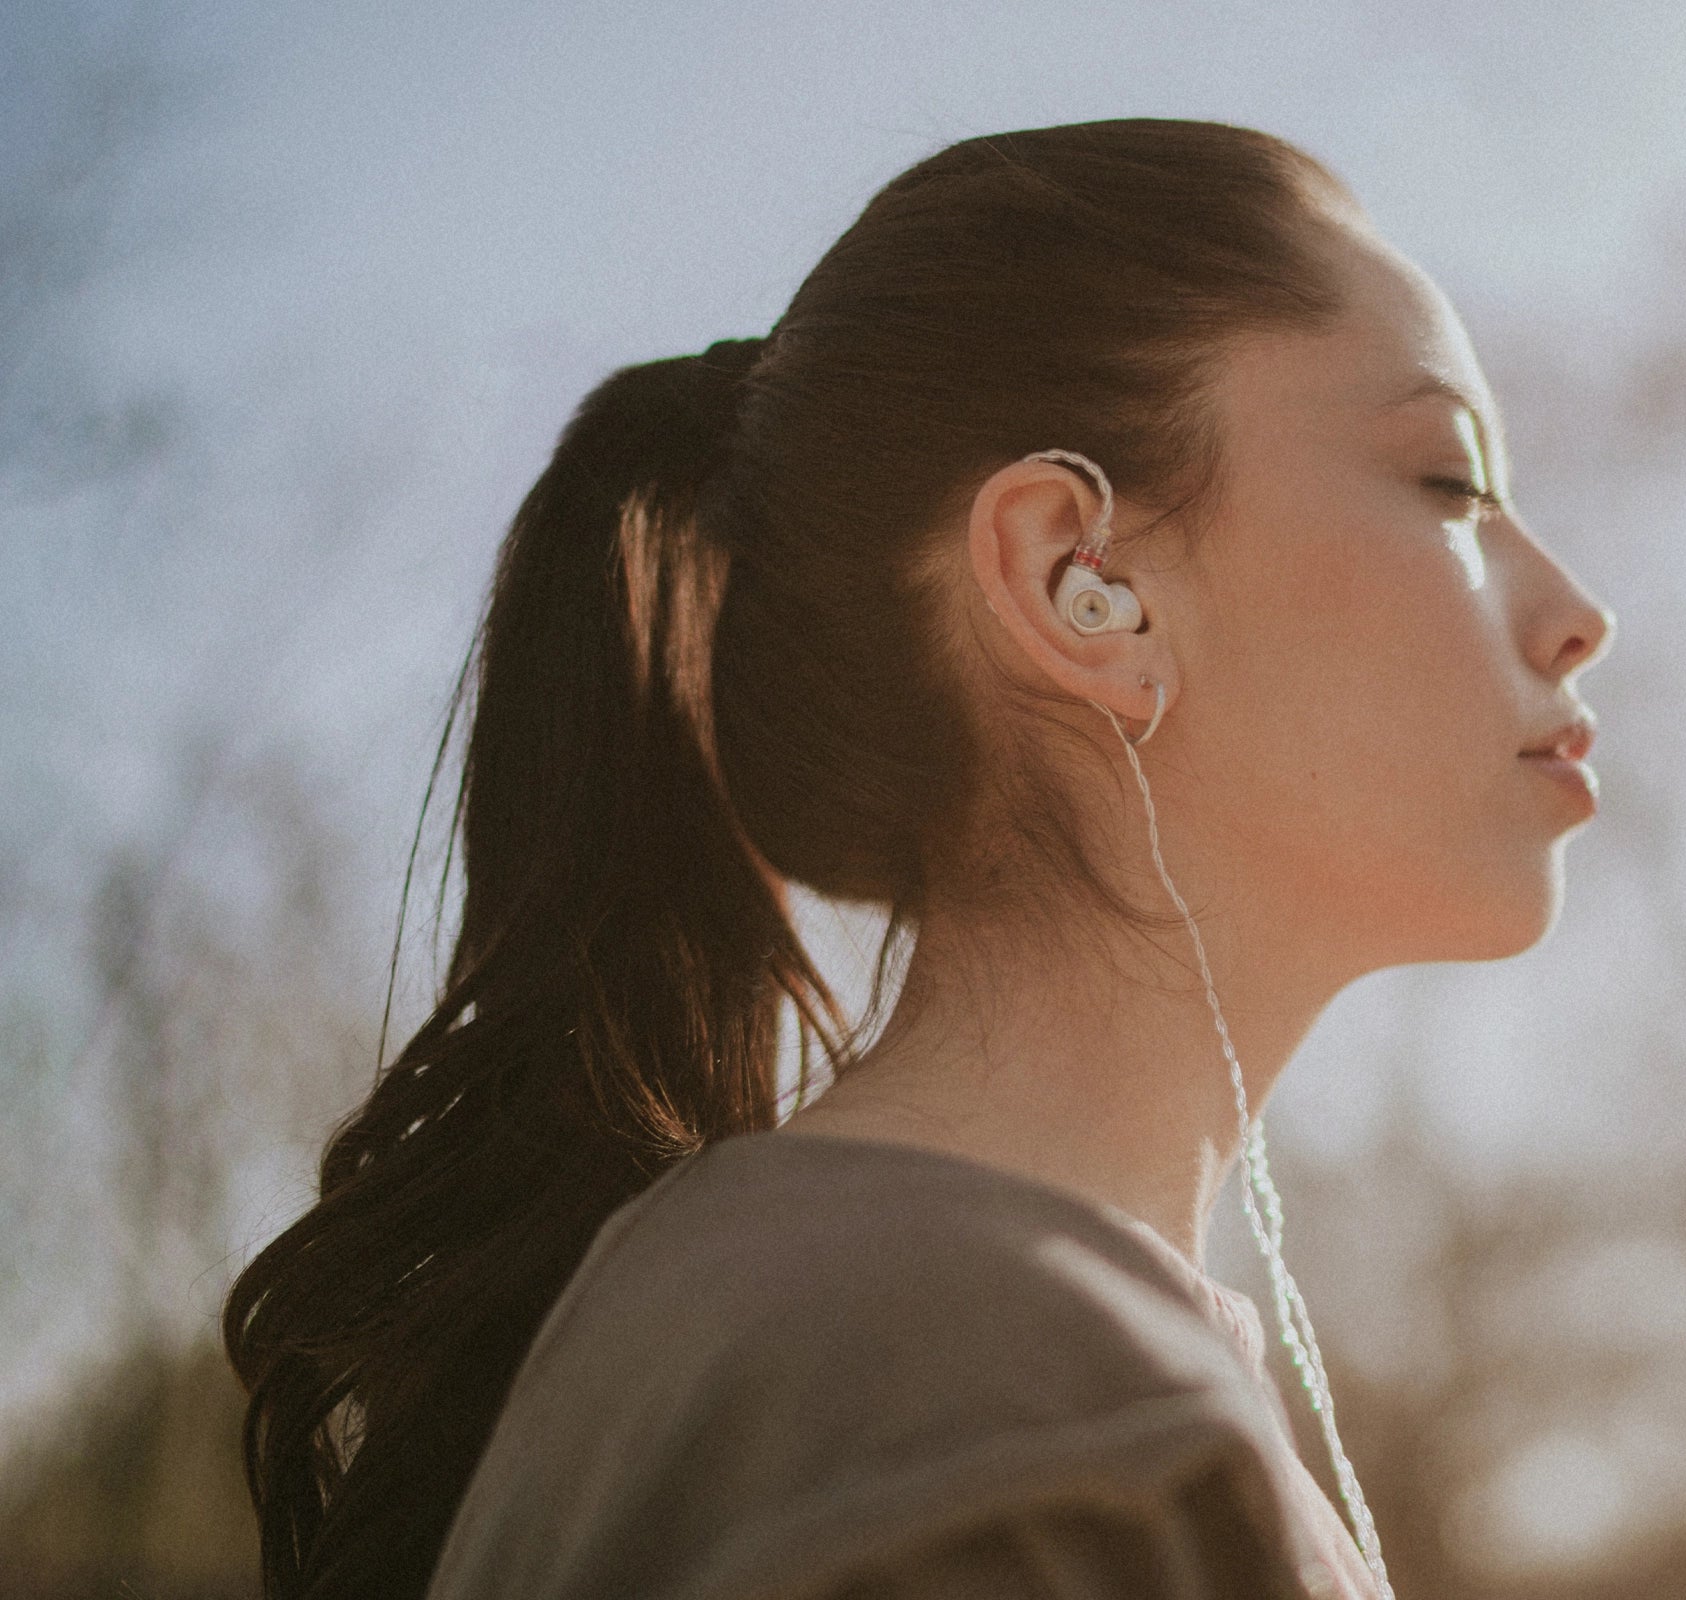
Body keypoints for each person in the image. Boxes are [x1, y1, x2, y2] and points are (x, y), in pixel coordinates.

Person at [220, 118, 1615, 1600]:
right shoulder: (954, 1373)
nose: (1579, 611)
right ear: (1082, 582)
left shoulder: (941, 1345)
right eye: (1451, 484)